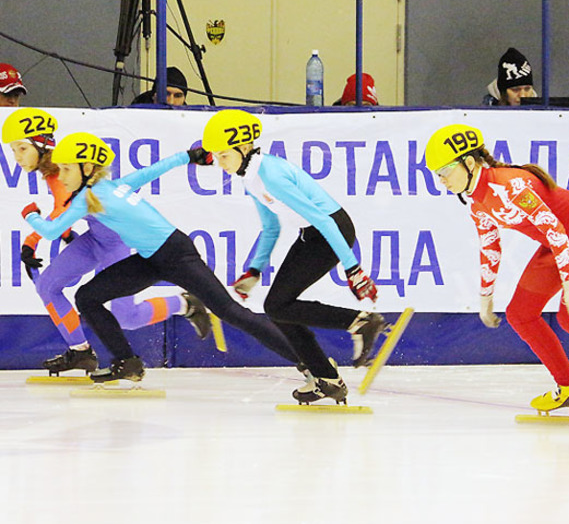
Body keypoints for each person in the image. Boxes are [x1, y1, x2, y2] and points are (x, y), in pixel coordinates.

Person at [21, 131, 300, 383]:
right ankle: (126, 362)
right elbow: (151, 171)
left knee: (230, 312)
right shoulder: (110, 187)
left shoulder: (89, 197)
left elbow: (53, 229)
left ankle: (308, 361)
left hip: (176, 255)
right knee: (87, 297)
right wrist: (186, 157)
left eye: (67, 169)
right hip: (150, 258)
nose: (62, 175)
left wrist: (30, 214)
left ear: (88, 168)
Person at [424, 123, 569, 413]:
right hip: (555, 242)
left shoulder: (511, 185)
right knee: (520, 314)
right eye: (437, 175)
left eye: (444, 171)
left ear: (469, 163)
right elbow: (490, 249)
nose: (442, 180)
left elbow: (557, 231)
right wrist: (485, 297)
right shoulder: (477, 204)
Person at [2, 108, 212, 375]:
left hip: (114, 244)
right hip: (94, 239)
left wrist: (32, 239)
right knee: (48, 285)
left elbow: (60, 214)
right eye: (13, 151)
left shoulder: (60, 170)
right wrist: (64, 235)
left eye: (21, 149)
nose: (17, 158)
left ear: (42, 145)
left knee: (128, 317)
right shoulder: (55, 168)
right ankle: (80, 352)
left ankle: (186, 304)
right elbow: (66, 212)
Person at [201, 109, 386, 404]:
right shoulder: (250, 177)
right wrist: (254, 270)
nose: (220, 164)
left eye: (223, 156)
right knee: (278, 306)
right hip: (312, 233)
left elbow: (325, 221)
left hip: (330, 229)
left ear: (244, 148)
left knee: (277, 304)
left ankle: (361, 323)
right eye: (215, 157)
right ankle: (326, 378)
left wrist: (354, 270)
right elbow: (271, 226)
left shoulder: (269, 174)